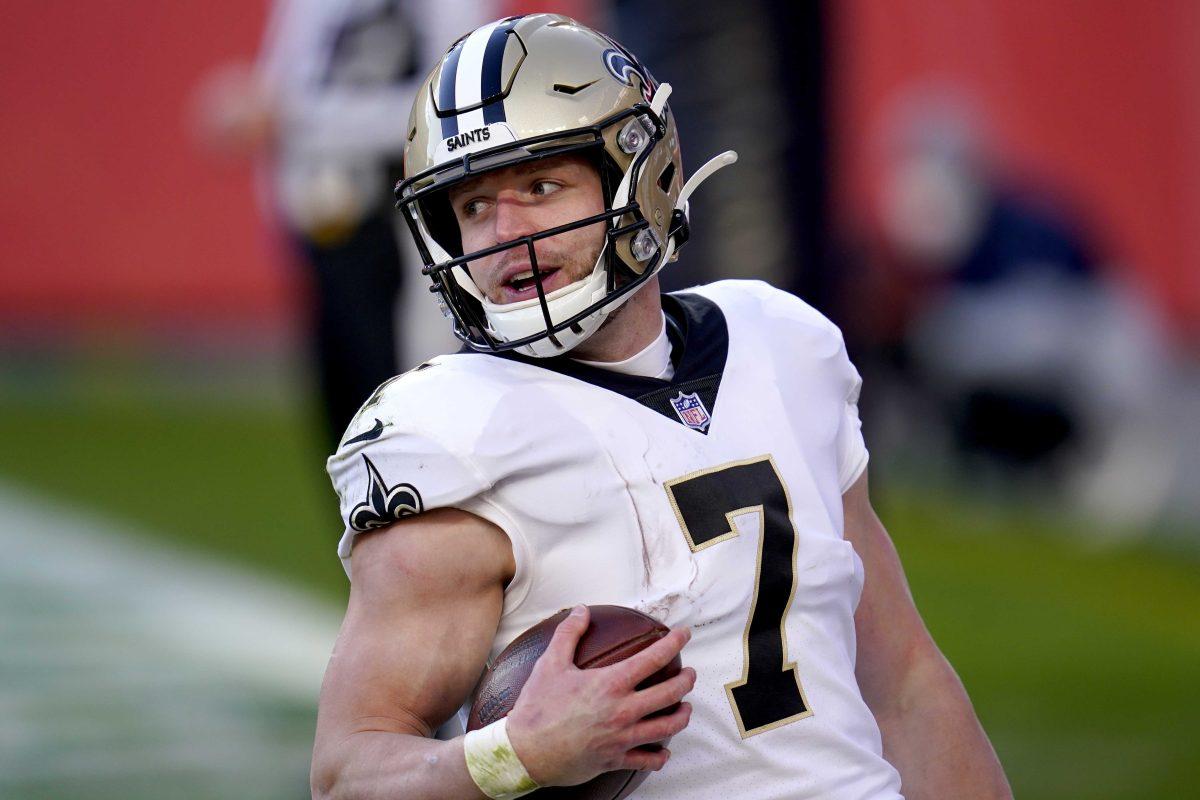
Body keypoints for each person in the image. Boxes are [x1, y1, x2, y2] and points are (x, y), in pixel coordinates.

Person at [313, 14, 1012, 800]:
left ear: (639, 177)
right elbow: (348, 774)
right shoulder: (453, 433)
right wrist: (516, 753)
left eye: (540, 187)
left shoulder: (783, 344)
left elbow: (906, 682)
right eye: (472, 207)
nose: (505, 233)